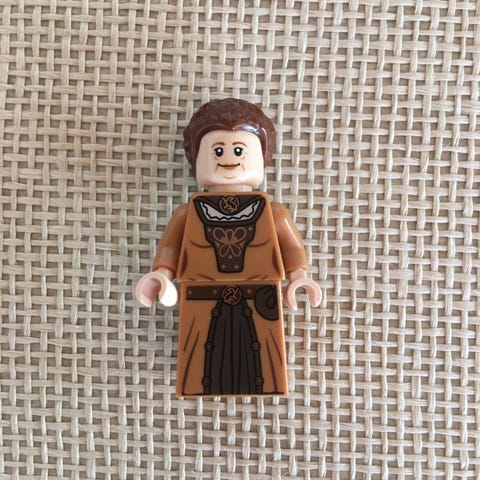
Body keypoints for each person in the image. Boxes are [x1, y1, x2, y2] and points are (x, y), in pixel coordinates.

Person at [136, 98, 321, 396]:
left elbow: (290, 248)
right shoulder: (187, 214)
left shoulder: (273, 212)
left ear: (262, 158)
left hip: (259, 297)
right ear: (198, 160)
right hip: (201, 298)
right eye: (217, 151)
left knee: (261, 361)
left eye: (239, 150)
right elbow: (170, 251)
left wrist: (298, 278)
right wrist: (161, 276)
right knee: (203, 361)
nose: (228, 159)